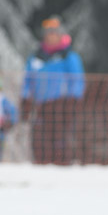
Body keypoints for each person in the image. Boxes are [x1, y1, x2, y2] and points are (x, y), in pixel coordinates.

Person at [20, 15, 85, 164]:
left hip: (62, 104)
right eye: (48, 33)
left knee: (60, 139)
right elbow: (28, 80)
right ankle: (41, 166)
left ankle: (62, 167)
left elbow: (77, 80)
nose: (51, 36)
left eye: (55, 33)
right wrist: (25, 98)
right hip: (41, 105)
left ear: (61, 34)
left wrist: (74, 100)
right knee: (40, 139)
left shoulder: (68, 56)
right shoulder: (36, 57)